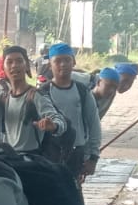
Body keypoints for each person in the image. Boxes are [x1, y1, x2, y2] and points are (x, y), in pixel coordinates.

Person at [0, 46, 65, 156]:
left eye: (19, 61)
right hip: (9, 159)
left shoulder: (35, 96)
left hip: (31, 161)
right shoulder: (2, 98)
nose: (14, 65)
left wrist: (54, 125)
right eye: (9, 62)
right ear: (4, 68)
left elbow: (59, 120)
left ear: (26, 66)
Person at [42, 42, 102, 181]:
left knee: (74, 194)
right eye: (57, 61)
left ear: (73, 62)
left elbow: (94, 124)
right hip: (49, 153)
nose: (62, 64)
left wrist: (93, 157)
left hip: (76, 153)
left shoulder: (82, 91)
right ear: (50, 65)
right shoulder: (42, 93)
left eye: (67, 60)